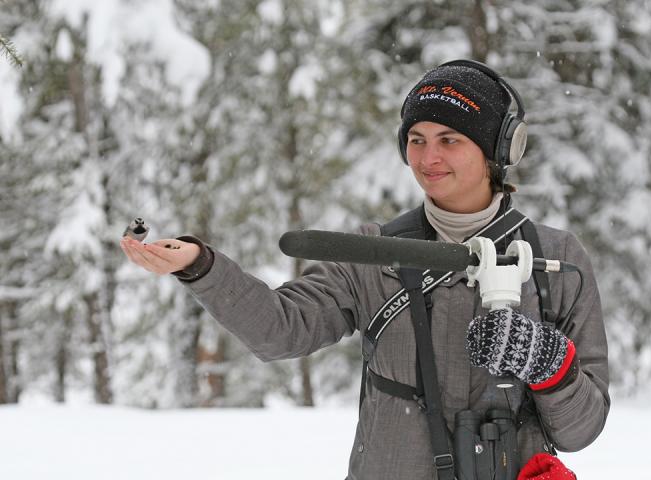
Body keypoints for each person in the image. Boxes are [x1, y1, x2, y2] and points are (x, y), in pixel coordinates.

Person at [120, 60, 609, 480]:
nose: (428, 157)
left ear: (498, 152)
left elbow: (581, 430)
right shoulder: (375, 254)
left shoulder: (555, 260)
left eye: (450, 139)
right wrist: (201, 267)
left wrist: (550, 365)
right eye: (416, 139)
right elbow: (280, 331)